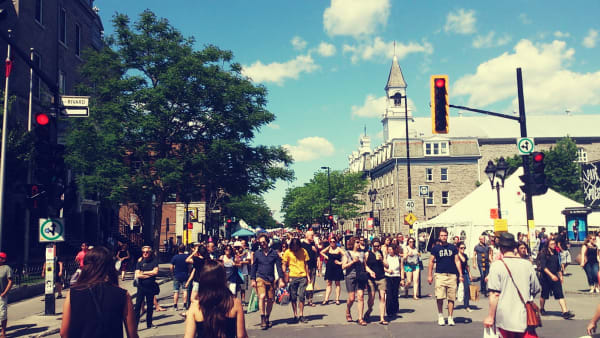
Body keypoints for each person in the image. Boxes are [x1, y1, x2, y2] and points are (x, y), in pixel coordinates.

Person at [60, 246, 137, 338]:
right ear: (110, 267)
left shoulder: (73, 293)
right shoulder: (123, 294)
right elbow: (132, 335)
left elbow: (64, 333)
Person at [483, 232, 540, 338]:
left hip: (504, 318)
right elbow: (536, 288)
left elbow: (495, 294)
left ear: (501, 248)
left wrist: (490, 316)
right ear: (515, 248)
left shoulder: (496, 266)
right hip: (524, 316)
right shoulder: (527, 265)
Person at [183, 260, 248, 338]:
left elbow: (188, 336)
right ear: (223, 279)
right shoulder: (234, 303)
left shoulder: (196, 306)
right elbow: (241, 335)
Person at [427, 228, 461, 326]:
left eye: (445, 235)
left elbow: (457, 261)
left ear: (447, 236)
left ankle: (450, 317)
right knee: (440, 297)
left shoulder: (452, 247)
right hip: (440, 274)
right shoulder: (436, 248)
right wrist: (429, 275)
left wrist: (460, 274)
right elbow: (431, 261)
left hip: (452, 274)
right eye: (442, 235)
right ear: (439, 236)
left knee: (451, 297)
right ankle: (440, 316)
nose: (443, 237)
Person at [251, 234, 285, 329]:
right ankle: (262, 317)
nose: (262, 244)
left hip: (271, 279)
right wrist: (253, 279)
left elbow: (278, 267)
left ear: (267, 242)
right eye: (260, 243)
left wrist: (281, 279)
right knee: (262, 296)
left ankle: (267, 318)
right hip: (260, 277)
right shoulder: (257, 253)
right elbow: (254, 266)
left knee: (270, 300)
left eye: (264, 242)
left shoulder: (274, 253)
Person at [538, 239, 575, 319]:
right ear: (548, 244)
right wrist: (551, 276)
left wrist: (560, 276)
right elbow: (544, 267)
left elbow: (558, 266)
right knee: (544, 294)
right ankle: (542, 309)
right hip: (546, 277)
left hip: (555, 276)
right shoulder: (543, 254)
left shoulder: (556, 253)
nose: (553, 245)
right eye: (551, 243)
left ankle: (565, 312)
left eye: (554, 243)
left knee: (560, 294)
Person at [282, 238, 310, 324]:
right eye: (293, 246)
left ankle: (301, 314)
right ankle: (295, 315)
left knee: (301, 295)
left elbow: (306, 264)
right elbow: (284, 264)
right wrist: (285, 275)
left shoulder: (303, 251)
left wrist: (308, 277)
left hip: (302, 276)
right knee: (293, 297)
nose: (295, 248)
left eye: (296, 246)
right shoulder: (287, 252)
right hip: (292, 276)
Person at [342, 237, 368, 326]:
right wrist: (353, 261)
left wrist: (370, 272)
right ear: (353, 243)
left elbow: (365, 265)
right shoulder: (347, 253)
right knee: (352, 298)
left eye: (359, 242)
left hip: (360, 276)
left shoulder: (362, 254)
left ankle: (360, 318)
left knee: (360, 297)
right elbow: (343, 266)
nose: (359, 244)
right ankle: (348, 310)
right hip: (350, 277)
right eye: (357, 242)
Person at [134, 246, 160, 329]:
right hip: (141, 287)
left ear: (150, 253)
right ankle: (135, 325)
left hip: (150, 287)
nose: (145, 253)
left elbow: (155, 272)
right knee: (137, 306)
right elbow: (138, 275)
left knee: (150, 307)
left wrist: (144, 273)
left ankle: (149, 324)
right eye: (143, 252)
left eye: (147, 252)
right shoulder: (140, 262)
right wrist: (149, 274)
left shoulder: (154, 261)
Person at [365, 238, 388, 325]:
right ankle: (370, 309)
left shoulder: (382, 253)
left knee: (382, 297)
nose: (377, 248)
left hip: (381, 277)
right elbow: (365, 265)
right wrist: (370, 272)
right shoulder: (367, 254)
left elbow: (387, 265)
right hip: (371, 278)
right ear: (372, 246)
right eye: (375, 246)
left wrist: (382, 260)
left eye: (378, 246)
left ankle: (382, 318)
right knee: (372, 297)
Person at [320, 236, 344, 305]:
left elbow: (346, 255)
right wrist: (326, 256)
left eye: (334, 241)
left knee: (337, 283)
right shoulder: (329, 248)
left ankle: (337, 299)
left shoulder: (339, 249)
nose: (332, 243)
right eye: (331, 241)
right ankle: (326, 299)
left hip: (337, 268)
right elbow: (321, 252)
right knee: (328, 283)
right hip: (330, 267)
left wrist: (341, 262)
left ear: (336, 242)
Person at [383, 244, 403, 318]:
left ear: (394, 250)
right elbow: (382, 267)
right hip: (388, 276)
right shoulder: (386, 257)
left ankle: (395, 310)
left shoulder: (398, 257)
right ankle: (389, 311)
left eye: (391, 249)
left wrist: (402, 279)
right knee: (389, 294)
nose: (390, 251)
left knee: (395, 294)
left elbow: (401, 268)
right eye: (389, 249)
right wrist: (387, 271)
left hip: (396, 276)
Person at [300, 230, 319, 307]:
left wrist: (316, 250)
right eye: (311, 235)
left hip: (313, 265)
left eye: (313, 235)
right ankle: (302, 299)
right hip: (304, 266)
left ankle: (310, 300)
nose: (313, 237)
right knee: (304, 283)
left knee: (311, 283)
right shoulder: (302, 245)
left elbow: (316, 254)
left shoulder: (313, 244)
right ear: (307, 236)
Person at [171, 245, 189, 310]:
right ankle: (184, 305)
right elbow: (189, 266)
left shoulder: (175, 257)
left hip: (177, 275)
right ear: (184, 249)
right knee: (185, 291)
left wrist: (172, 273)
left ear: (178, 249)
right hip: (185, 275)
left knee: (176, 291)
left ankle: (175, 305)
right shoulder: (187, 257)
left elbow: (171, 267)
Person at [457, 241, 473, 312]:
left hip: (464, 274)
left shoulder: (465, 256)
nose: (463, 249)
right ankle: (450, 303)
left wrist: (469, 274)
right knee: (453, 289)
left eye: (464, 248)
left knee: (466, 290)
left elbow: (467, 266)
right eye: (461, 248)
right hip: (456, 274)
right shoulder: (456, 256)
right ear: (458, 248)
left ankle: (467, 306)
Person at [0, 252, 12, 338]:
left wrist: (5, 292)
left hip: (1, 295)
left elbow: (10, 281)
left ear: (3, 259)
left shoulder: (6, 268)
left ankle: (3, 332)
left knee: (2, 314)